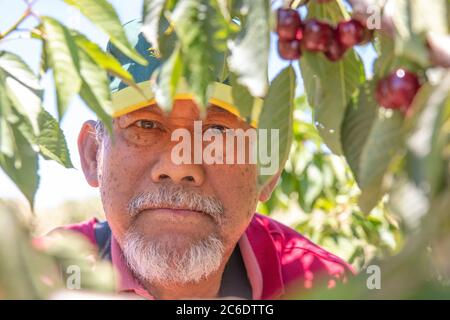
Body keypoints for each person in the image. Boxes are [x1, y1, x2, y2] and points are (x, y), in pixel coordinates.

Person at [65, 20, 353, 300]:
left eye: (217, 131)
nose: (179, 166)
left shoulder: (327, 286)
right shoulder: (38, 280)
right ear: (93, 155)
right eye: (145, 126)